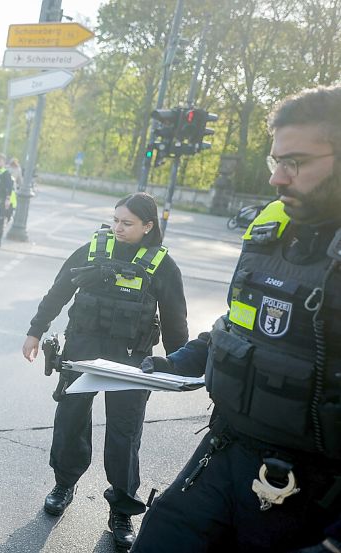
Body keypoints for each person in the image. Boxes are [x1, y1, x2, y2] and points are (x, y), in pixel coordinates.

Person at [132, 85, 341, 553]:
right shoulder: (274, 223)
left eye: (296, 163)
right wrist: (179, 360)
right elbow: (241, 320)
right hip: (224, 455)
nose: (278, 180)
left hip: (316, 490)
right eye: (275, 162)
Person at [21, 192, 188, 551]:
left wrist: (179, 365)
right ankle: (64, 484)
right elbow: (59, 291)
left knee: (124, 434)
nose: (118, 228)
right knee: (70, 419)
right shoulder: (93, 249)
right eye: (115, 220)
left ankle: (122, 508)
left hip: (131, 362)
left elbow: (176, 322)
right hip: (82, 351)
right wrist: (35, 330)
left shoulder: (162, 264)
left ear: (148, 226)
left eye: (126, 223)